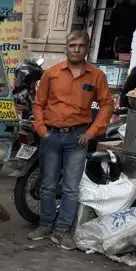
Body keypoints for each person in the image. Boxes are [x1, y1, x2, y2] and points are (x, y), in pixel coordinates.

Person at [29, 29, 114, 250]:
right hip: (51, 135)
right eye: (72, 45)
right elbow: (39, 103)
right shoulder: (51, 74)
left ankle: (62, 231)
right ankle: (45, 225)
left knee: (70, 188)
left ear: (87, 48)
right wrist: (41, 130)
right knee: (47, 185)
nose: (76, 49)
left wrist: (92, 131)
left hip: (78, 138)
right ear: (66, 47)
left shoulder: (96, 76)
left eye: (80, 46)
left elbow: (107, 104)